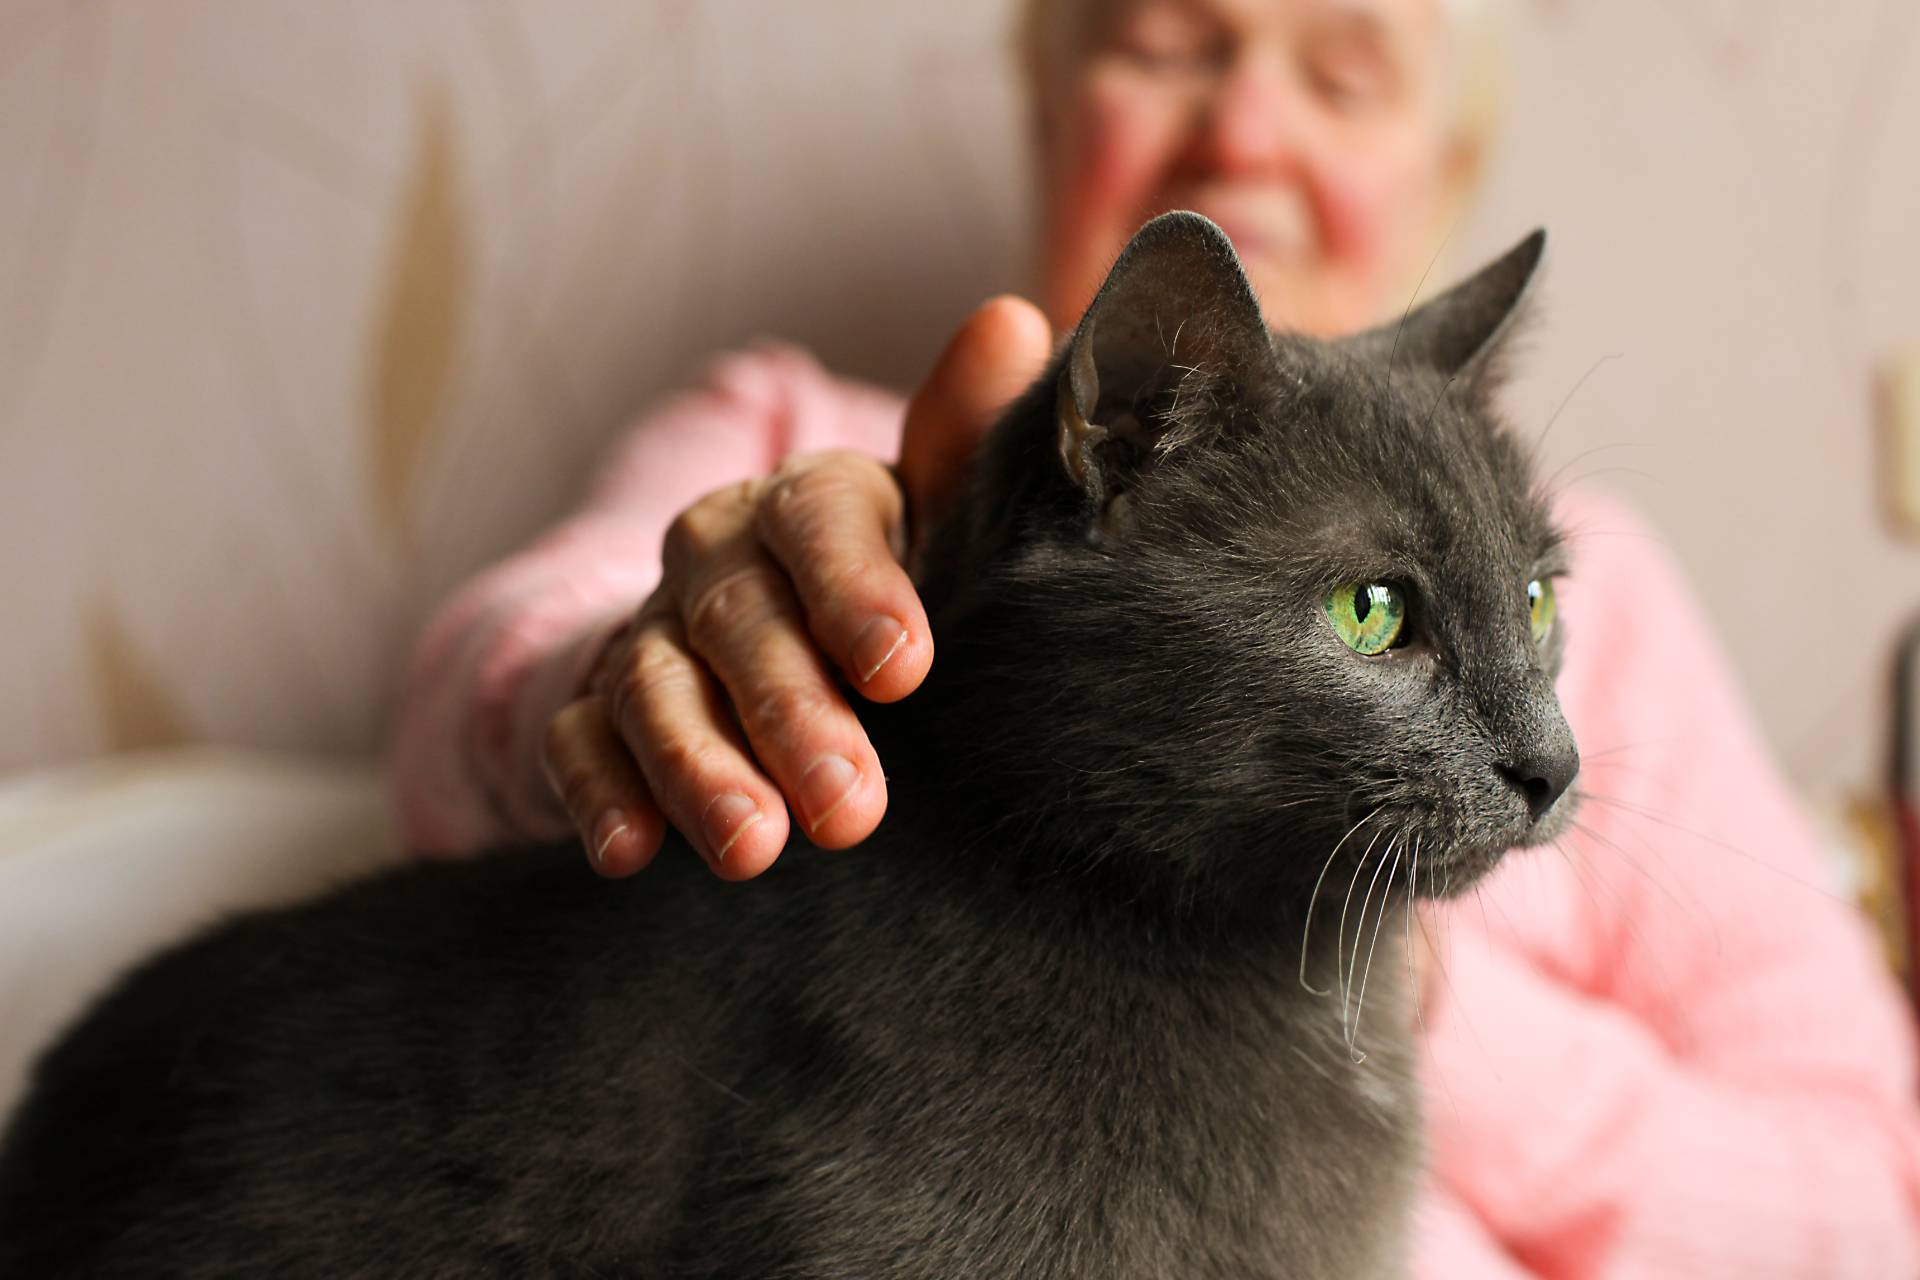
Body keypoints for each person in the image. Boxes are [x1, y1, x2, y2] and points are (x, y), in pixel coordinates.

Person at [390, 0, 1920, 1273]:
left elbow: (1873, 1188)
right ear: (1051, 113)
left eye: (1343, 72)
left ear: (1440, 171)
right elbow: (493, 690)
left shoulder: (1608, 582)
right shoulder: (789, 438)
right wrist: (656, 684)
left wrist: (1405, 990)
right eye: (1170, 43)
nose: (1247, 127)